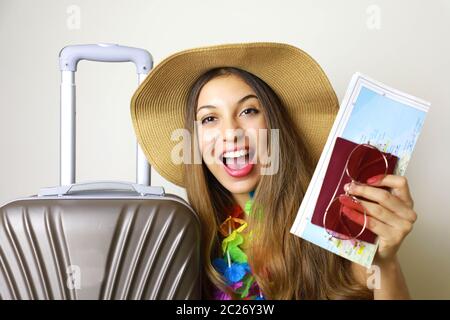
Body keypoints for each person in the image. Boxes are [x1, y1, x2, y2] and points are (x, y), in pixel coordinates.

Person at [130, 42, 417, 299]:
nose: (230, 132)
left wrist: (384, 261)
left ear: (275, 128)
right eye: (209, 118)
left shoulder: (331, 223)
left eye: (248, 111)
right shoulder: (182, 238)